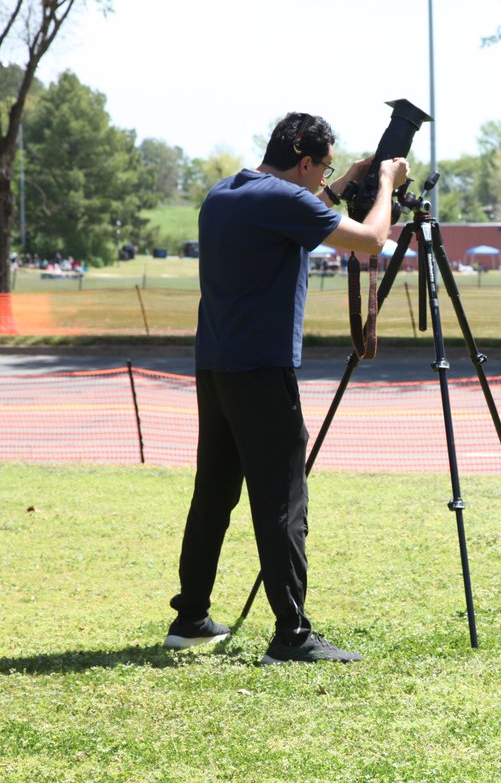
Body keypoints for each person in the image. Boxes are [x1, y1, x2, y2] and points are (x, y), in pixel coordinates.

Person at [163, 112, 409, 664]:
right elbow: (370, 241)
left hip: (217, 367)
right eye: (320, 168)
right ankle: (291, 634)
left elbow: (302, 205)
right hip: (264, 369)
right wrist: (387, 183)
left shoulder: (224, 193)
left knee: (215, 494)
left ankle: (192, 617)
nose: (323, 180)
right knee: (282, 500)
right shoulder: (286, 200)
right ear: (304, 162)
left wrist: (346, 179)